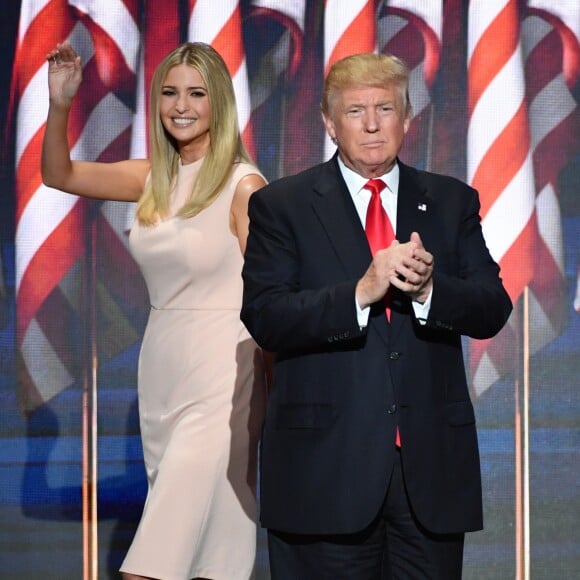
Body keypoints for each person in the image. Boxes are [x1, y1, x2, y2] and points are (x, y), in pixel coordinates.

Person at [241, 52, 513, 579]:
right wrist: (361, 293)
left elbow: (492, 306)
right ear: (328, 122)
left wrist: (431, 289)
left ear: (406, 118)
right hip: (324, 473)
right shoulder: (284, 206)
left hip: (427, 478)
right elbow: (266, 315)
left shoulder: (451, 201)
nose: (371, 124)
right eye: (355, 111)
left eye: (385, 108)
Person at [42, 41, 267, 580]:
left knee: (152, 561)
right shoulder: (152, 178)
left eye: (196, 93)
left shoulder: (244, 186)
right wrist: (59, 105)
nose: (180, 105)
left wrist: (274, 395)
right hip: (164, 370)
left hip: (226, 376)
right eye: (169, 92)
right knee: (213, 549)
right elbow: (60, 176)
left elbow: (272, 294)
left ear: (219, 103)